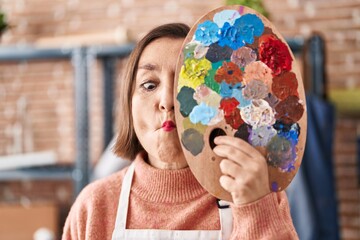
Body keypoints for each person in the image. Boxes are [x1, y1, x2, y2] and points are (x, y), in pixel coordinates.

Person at [62, 23, 298, 240]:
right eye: (149, 85)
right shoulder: (94, 206)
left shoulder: (257, 190)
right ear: (128, 104)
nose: (167, 101)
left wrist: (255, 208)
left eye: (184, 84)